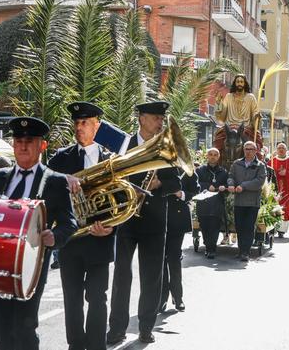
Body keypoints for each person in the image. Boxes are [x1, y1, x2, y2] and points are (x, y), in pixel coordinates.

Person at [0, 117, 77, 350]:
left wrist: (54, 236)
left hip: (31, 268)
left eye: (30, 141)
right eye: (19, 140)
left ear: (41, 146)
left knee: (24, 329)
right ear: (13, 145)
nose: (23, 146)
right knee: (2, 331)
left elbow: (70, 222)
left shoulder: (55, 181)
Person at [107, 101, 181, 345]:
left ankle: (146, 327)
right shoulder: (125, 145)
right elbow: (113, 178)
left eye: (162, 118)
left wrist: (160, 184)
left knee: (152, 276)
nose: (161, 122)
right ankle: (117, 328)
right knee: (121, 276)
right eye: (156, 118)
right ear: (141, 118)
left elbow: (176, 184)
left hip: (155, 220)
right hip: (127, 218)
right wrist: (128, 190)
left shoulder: (166, 147)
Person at [47, 101, 114, 350]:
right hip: (71, 241)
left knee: (98, 298)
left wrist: (110, 228)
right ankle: (75, 345)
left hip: (100, 240)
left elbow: (121, 200)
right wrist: (62, 180)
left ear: (97, 125)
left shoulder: (112, 161)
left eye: (84, 123)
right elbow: (47, 191)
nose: (79, 127)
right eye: (76, 123)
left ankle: (97, 346)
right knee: (72, 300)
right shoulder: (61, 159)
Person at [160, 170, 200, 312]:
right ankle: (161, 298)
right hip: (158, 218)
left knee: (174, 259)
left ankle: (178, 297)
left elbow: (196, 191)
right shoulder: (159, 166)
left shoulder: (188, 171)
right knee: (160, 261)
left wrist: (181, 194)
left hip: (177, 219)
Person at [227, 140, 267, 261]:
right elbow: (230, 176)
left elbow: (259, 182)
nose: (248, 152)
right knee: (239, 227)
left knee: (248, 227)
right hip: (239, 201)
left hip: (252, 202)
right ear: (243, 150)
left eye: (251, 149)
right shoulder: (236, 164)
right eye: (246, 149)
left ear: (255, 151)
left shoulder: (260, 166)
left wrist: (243, 186)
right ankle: (241, 250)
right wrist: (230, 184)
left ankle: (246, 252)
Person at [213, 74, 263, 156]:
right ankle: (216, 162)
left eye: (241, 82)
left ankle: (256, 163)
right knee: (218, 141)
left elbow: (255, 113)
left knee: (255, 148)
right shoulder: (229, 97)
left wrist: (257, 116)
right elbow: (222, 117)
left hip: (245, 128)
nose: (239, 84)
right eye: (238, 82)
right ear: (235, 83)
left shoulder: (251, 97)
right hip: (230, 127)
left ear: (245, 83)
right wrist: (218, 104)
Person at [195, 148, 229, 259]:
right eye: (211, 154)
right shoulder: (200, 170)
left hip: (217, 204)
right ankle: (208, 245)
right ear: (207, 156)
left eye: (215, 155)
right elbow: (195, 183)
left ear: (218, 157)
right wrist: (205, 186)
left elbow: (228, 186)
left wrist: (225, 188)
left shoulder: (223, 172)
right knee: (204, 227)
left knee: (214, 227)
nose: (213, 156)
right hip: (203, 204)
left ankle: (211, 249)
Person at [269, 143, 289, 236]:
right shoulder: (272, 161)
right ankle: (272, 227)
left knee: (285, 209)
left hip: (287, 190)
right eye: (279, 148)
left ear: (286, 150)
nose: (281, 149)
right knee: (273, 208)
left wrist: (287, 173)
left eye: (283, 148)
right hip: (274, 190)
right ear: (276, 150)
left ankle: (281, 230)